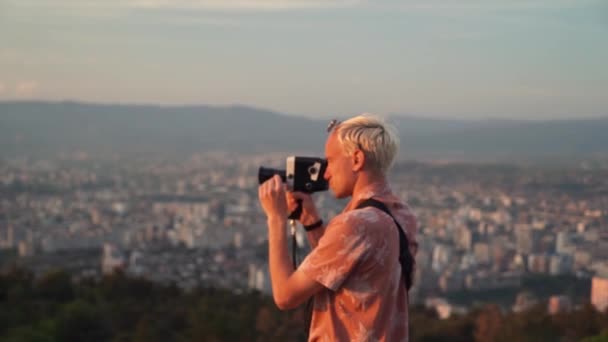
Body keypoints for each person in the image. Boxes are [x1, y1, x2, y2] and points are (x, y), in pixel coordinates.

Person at [258, 114, 418, 341]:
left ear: (356, 159)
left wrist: (275, 218)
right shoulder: (403, 216)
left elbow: (285, 296)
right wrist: (312, 223)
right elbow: (346, 270)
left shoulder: (356, 224)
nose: (326, 173)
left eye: (331, 161)